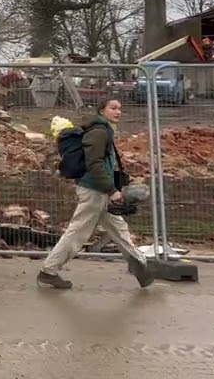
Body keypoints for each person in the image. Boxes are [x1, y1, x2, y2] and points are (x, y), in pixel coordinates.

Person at [38, 97, 154, 289]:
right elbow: (95, 163)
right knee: (78, 232)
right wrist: (111, 190)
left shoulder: (103, 130)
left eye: (119, 108)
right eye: (113, 108)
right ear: (102, 111)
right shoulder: (99, 132)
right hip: (94, 190)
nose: (118, 112)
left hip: (100, 189)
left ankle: (140, 265)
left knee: (119, 229)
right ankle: (48, 271)